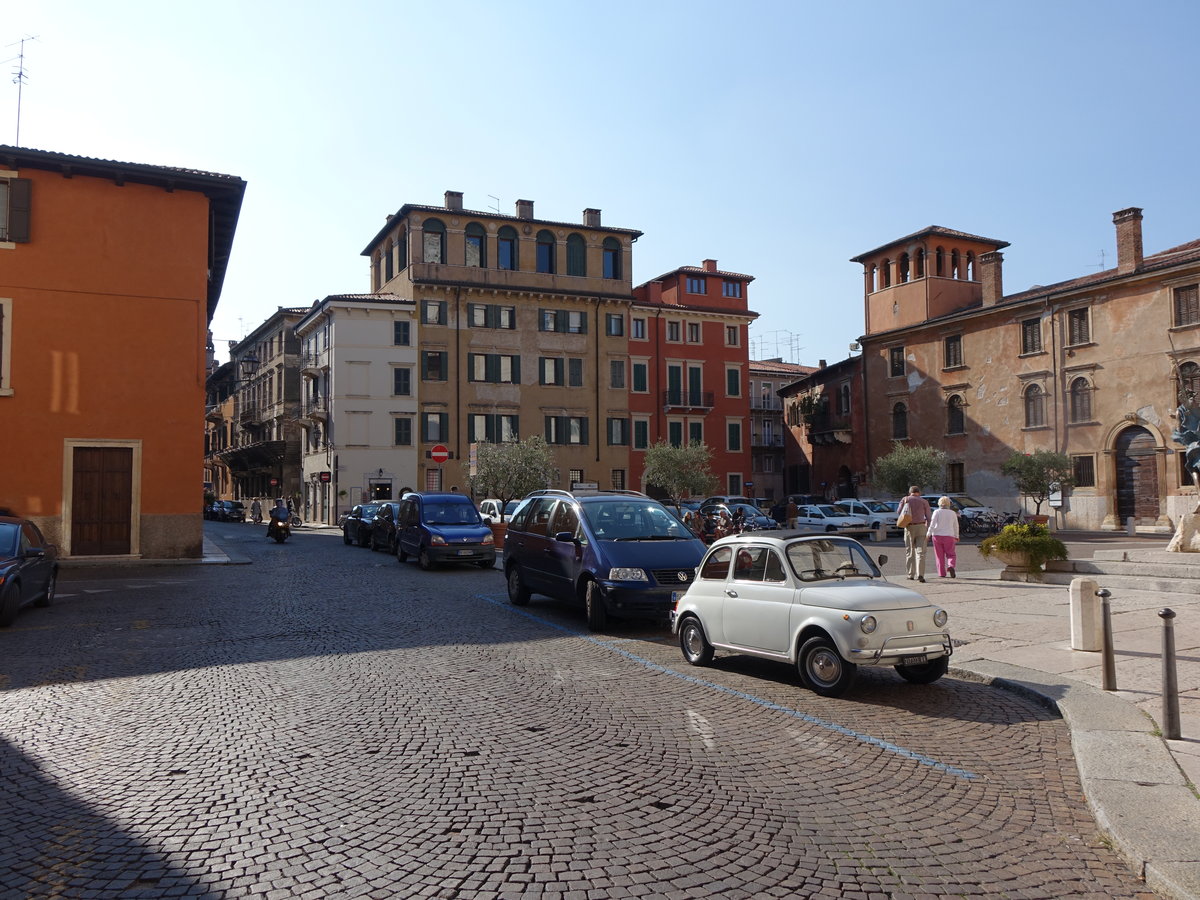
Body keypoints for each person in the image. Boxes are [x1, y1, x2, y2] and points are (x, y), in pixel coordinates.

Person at [897, 486, 931, 582]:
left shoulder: (905, 499)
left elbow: (899, 512)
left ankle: (911, 574)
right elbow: (929, 517)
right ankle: (920, 574)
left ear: (910, 492)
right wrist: (928, 529)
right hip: (921, 527)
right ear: (919, 492)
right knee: (921, 552)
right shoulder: (924, 501)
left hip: (909, 527)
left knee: (910, 551)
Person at [928, 495, 960, 578]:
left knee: (939, 556)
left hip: (937, 535)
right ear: (949, 504)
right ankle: (951, 565)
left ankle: (941, 573)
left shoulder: (936, 512)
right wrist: (956, 535)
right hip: (949, 535)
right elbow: (956, 525)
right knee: (951, 554)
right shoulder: (953, 513)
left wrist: (928, 534)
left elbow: (932, 524)